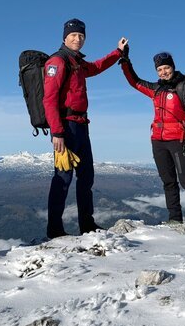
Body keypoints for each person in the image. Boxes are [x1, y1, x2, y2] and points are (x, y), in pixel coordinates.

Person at [42, 18, 128, 238]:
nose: (78, 39)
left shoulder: (77, 63)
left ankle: (87, 225)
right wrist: (57, 132)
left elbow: (97, 67)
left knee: (86, 177)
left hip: (81, 127)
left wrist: (117, 52)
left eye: (81, 36)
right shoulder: (58, 62)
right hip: (66, 128)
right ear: (64, 37)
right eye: (73, 35)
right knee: (62, 178)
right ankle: (55, 229)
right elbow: (49, 100)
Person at [120, 50, 185, 232]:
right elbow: (135, 82)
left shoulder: (183, 87)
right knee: (168, 181)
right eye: (160, 69)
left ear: (173, 67)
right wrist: (125, 61)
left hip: (179, 140)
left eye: (166, 68)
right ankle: (174, 218)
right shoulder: (156, 89)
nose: (163, 72)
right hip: (158, 140)